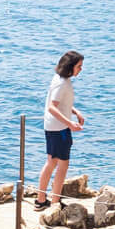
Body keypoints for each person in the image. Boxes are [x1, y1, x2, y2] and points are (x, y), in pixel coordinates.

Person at [35, 50, 84, 209]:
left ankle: (41, 200)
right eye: (79, 66)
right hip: (59, 129)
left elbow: (61, 103)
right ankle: (54, 201)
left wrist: (74, 111)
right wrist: (70, 124)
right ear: (70, 67)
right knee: (61, 165)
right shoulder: (62, 83)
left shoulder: (61, 79)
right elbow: (52, 107)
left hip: (54, 127)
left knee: (52, 162)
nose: (80, 69)